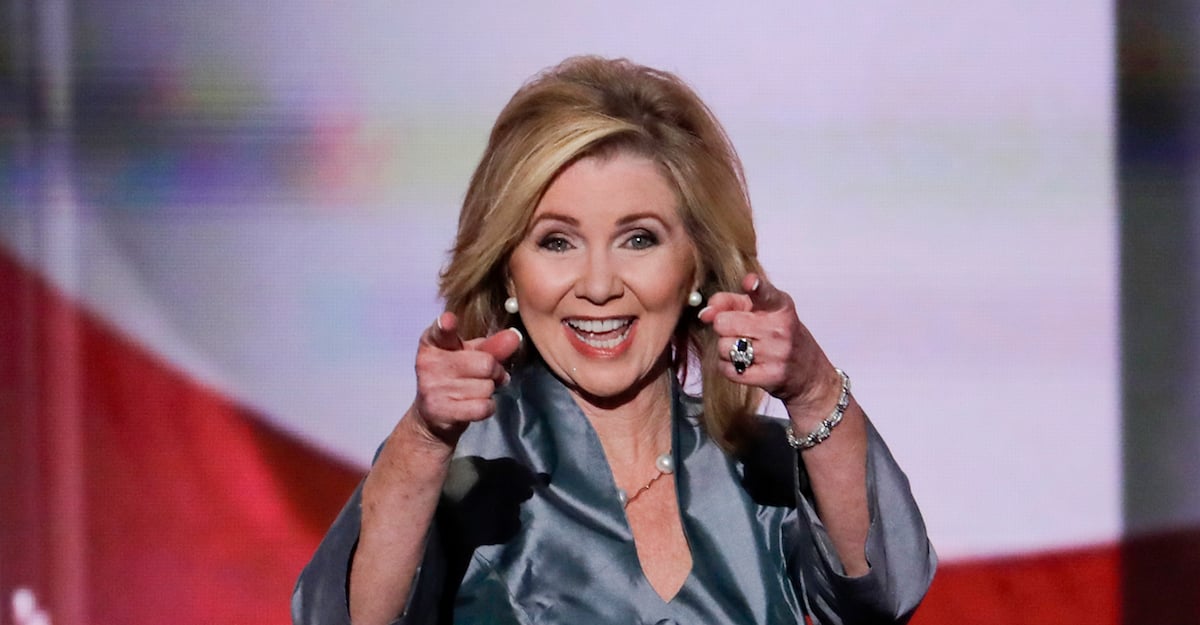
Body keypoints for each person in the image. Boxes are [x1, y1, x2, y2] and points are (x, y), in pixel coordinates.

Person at [292, 56, 935, 625]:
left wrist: (814, 388)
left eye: (638, 239)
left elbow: (881, 600)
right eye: (557, 241)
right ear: (508, 268)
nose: (599, 286)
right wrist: (425, 440)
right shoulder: (466, 471)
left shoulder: (763, 468)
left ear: (695, 265)